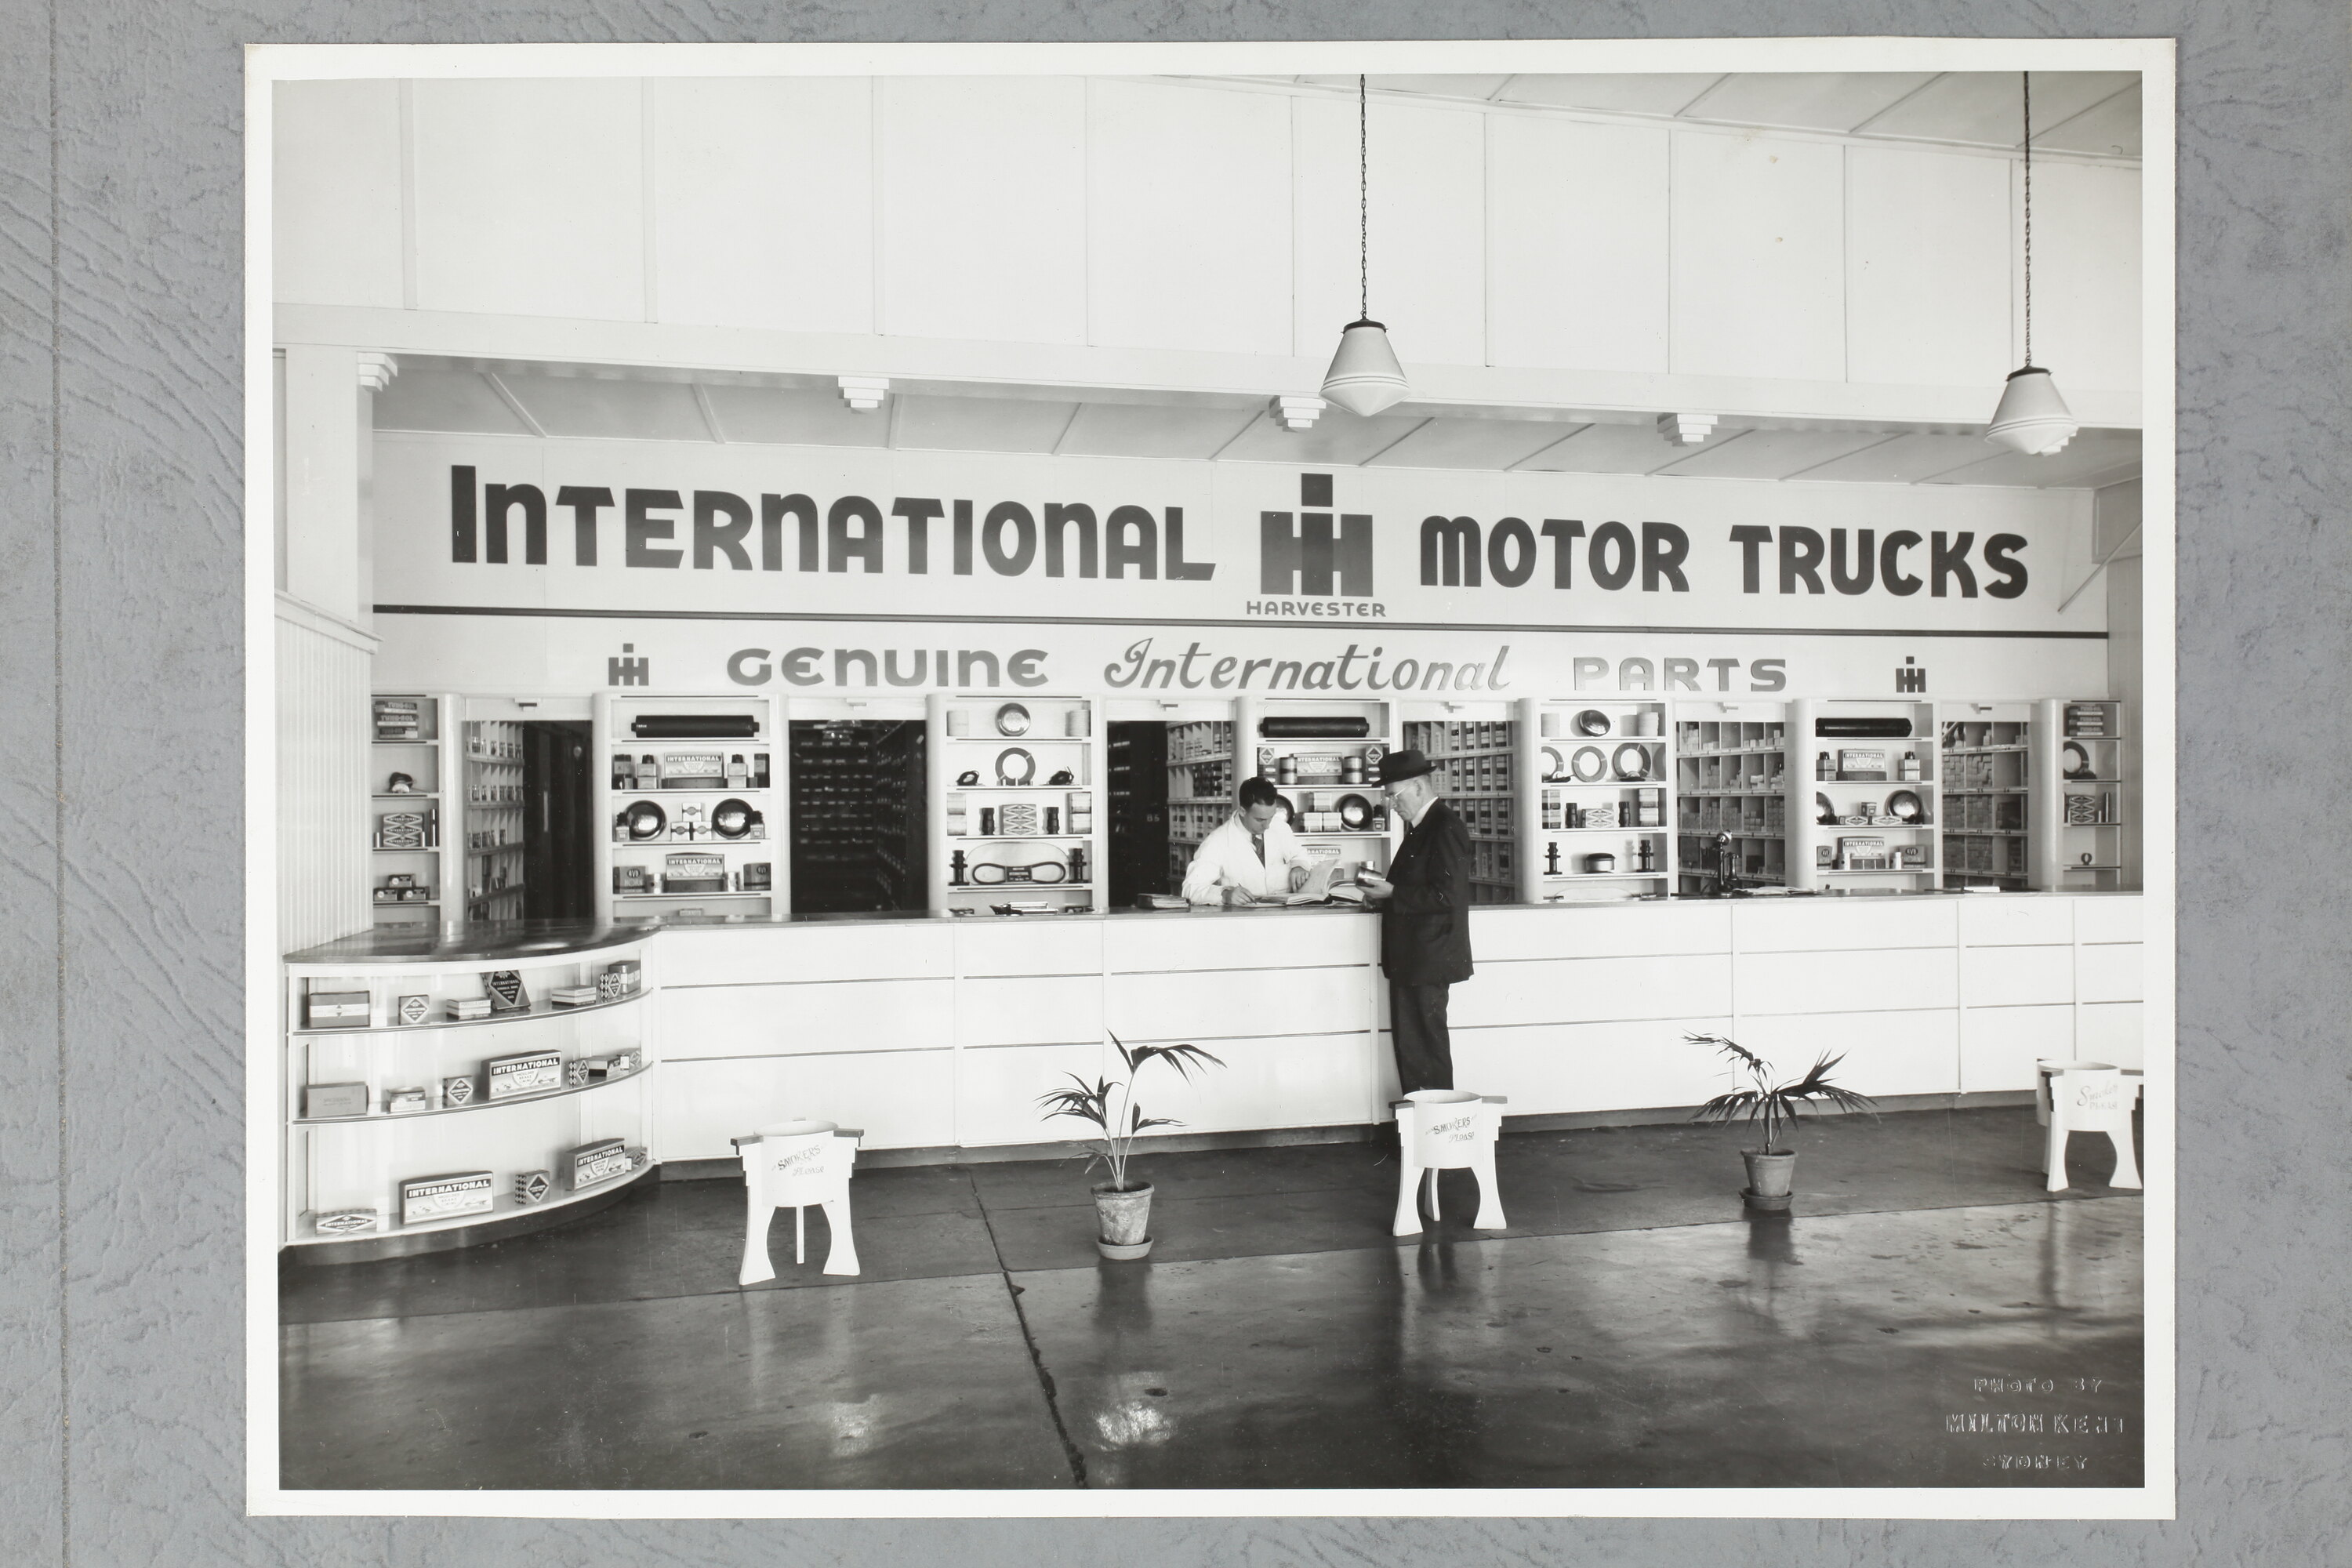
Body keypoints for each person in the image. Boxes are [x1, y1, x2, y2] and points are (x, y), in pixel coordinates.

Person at [1356, 748, 1472, 1094]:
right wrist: (1384, 896)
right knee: (1413, 1049)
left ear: (1419, 787)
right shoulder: (1421, 827)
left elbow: (1448, 895)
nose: (1390, 804)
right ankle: (1422, 1118)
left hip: (1428, 960)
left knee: (1426, 1048)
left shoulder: (1444, 827)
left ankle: (1437, 1120)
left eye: (1394, 795)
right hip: (1415, 959)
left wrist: (1392, 893)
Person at [1181, 776, 1313, 908]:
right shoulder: (1217, 841)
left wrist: (1299, 866)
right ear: (1243, 811)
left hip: (1284, 915)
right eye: (1260, 820)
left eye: (1271, 817)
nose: (1267, 826)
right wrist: (1224, 895)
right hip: (1242, 917)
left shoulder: (1280, 827)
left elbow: (1300, 855)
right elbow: (1190, 889)